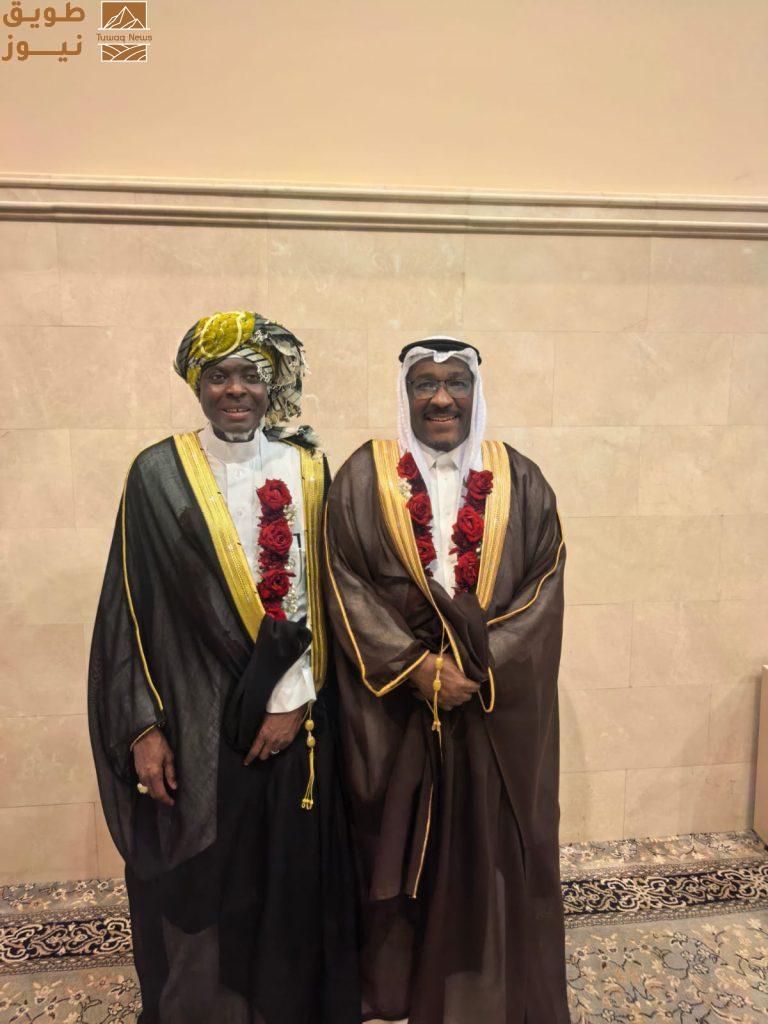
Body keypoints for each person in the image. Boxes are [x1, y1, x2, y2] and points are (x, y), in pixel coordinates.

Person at [88, 311, 358, 1024]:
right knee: (200, 881)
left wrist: (293, 700)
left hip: (291, 719)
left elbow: (324, 594)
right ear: (196, 384)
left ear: (272, 385)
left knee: (285, 874)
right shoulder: (156, 473)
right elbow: (127, 604)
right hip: (192, 716)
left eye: (250, 376)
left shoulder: (307, 468)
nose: (235, 390)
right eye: (218, 376)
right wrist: (142, 727)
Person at [324, 336, 569, 1024]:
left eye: (455, 383)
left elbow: (545, 581)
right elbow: (342, 579)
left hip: (486, 702)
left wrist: (477, 667)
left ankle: (481, 986)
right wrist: (414, 666)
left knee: (490, 846)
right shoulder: (364, 476)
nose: (440, 398)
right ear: (405, 395)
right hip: (397, 704)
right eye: (424, 384)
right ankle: (395, 989)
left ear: (475, 393)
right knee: (392, 842)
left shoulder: (521, 479)